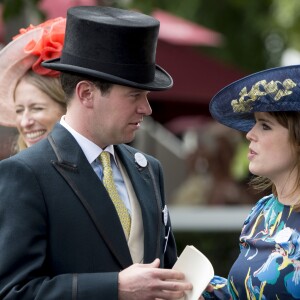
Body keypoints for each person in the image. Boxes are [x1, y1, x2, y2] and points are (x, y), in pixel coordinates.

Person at [0, 6, 192, 299]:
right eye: (134, 95)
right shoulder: (25, 173)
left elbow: (164, 269)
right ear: (86, 93)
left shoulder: (149, 169)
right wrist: (114, 288)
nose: (146, 108)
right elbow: (14, 292)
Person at [201, 65, 300, 299]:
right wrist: (205, 289)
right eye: (255, 123)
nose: (249, 134)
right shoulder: (262, 210)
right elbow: (249, 290)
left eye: (265, 125)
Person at [0, 17, 66, 153]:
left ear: (67, 109)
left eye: (36, 109)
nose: (24, 122)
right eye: (19, 110)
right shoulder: (15, 172)